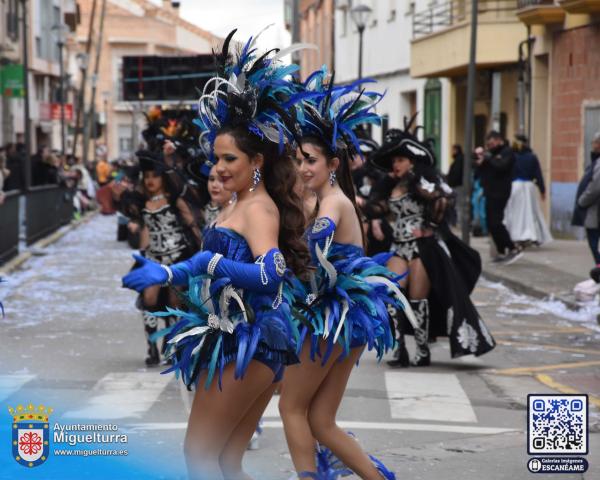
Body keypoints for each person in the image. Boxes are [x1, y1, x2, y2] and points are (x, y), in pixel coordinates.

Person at [123, 29, 310, 479]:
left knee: (200, 457)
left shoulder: (259, 208)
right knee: (225, 461)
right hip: (238, 338)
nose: (218, 168)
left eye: (229, 159)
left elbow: (271, 274)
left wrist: (212, 265)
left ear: (256, 162)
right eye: (216, 158)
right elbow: (203, 265)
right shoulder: (238, 205)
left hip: (248, 343)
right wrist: (166, 271)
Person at [279, 76, 403, 480]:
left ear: (333, 164)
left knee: (291, 408)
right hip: (346, 320)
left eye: (310, 160)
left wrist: (301, 237)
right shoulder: (325, 199)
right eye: (297, 159)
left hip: (332, 318)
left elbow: (322, 232)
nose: (302, 167)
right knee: (321, 420)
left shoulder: (333, 202)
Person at [367, 118, 496, 368]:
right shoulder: (389, 186)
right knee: (393, 295)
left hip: (421, 249)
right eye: (393, 161)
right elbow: (378, 208)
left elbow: (443, 201)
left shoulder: (424, 183)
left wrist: (426, 213)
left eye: (400, 160)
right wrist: (362, 205)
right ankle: (398, 348)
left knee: (417, 300)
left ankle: (422, 349)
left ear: (412, 161)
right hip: (398, 246)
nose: (395, 165)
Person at [135, 150, 201, 366]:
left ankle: (172, 344)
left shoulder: (174, 199)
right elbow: (146, 231)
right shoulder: (143, 202)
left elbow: (191, 223)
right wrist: (142, 255)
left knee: (175, 301)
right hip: (154, 258)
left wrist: (204, 245)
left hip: (177, 257)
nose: (150, 180)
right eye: (147, 177)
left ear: (162, 177)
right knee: (149, 299)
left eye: (154, 175)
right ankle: (152, 347)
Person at [475, 131, 521, 263]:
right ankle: (501, 251)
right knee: (490, 223)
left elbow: (501, 166)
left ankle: (512, 248)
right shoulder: (492, 154)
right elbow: (480, 172)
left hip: (500, 192)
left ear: (499, 140)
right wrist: (480, 161)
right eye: (488, 144)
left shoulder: (507, 152)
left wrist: (488, 157)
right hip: (489, 191)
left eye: (491, 143)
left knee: (496, 222)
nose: (489, 146)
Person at [504, 134, 552, 247]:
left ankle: (517, 235)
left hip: (515, 186)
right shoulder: (531, 156)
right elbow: (538, 174)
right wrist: (542, 190)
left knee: (516, 212)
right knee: (530, 212)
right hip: (528, 187)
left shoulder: (512, 156)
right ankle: (531, 234)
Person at [575, 132, 600, 266]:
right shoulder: (595, 161)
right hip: (594, 210)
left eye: (595, 143)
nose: (593, 145)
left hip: (595, 211)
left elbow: (595, 187)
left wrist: (582, 201)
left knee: (595, 243)